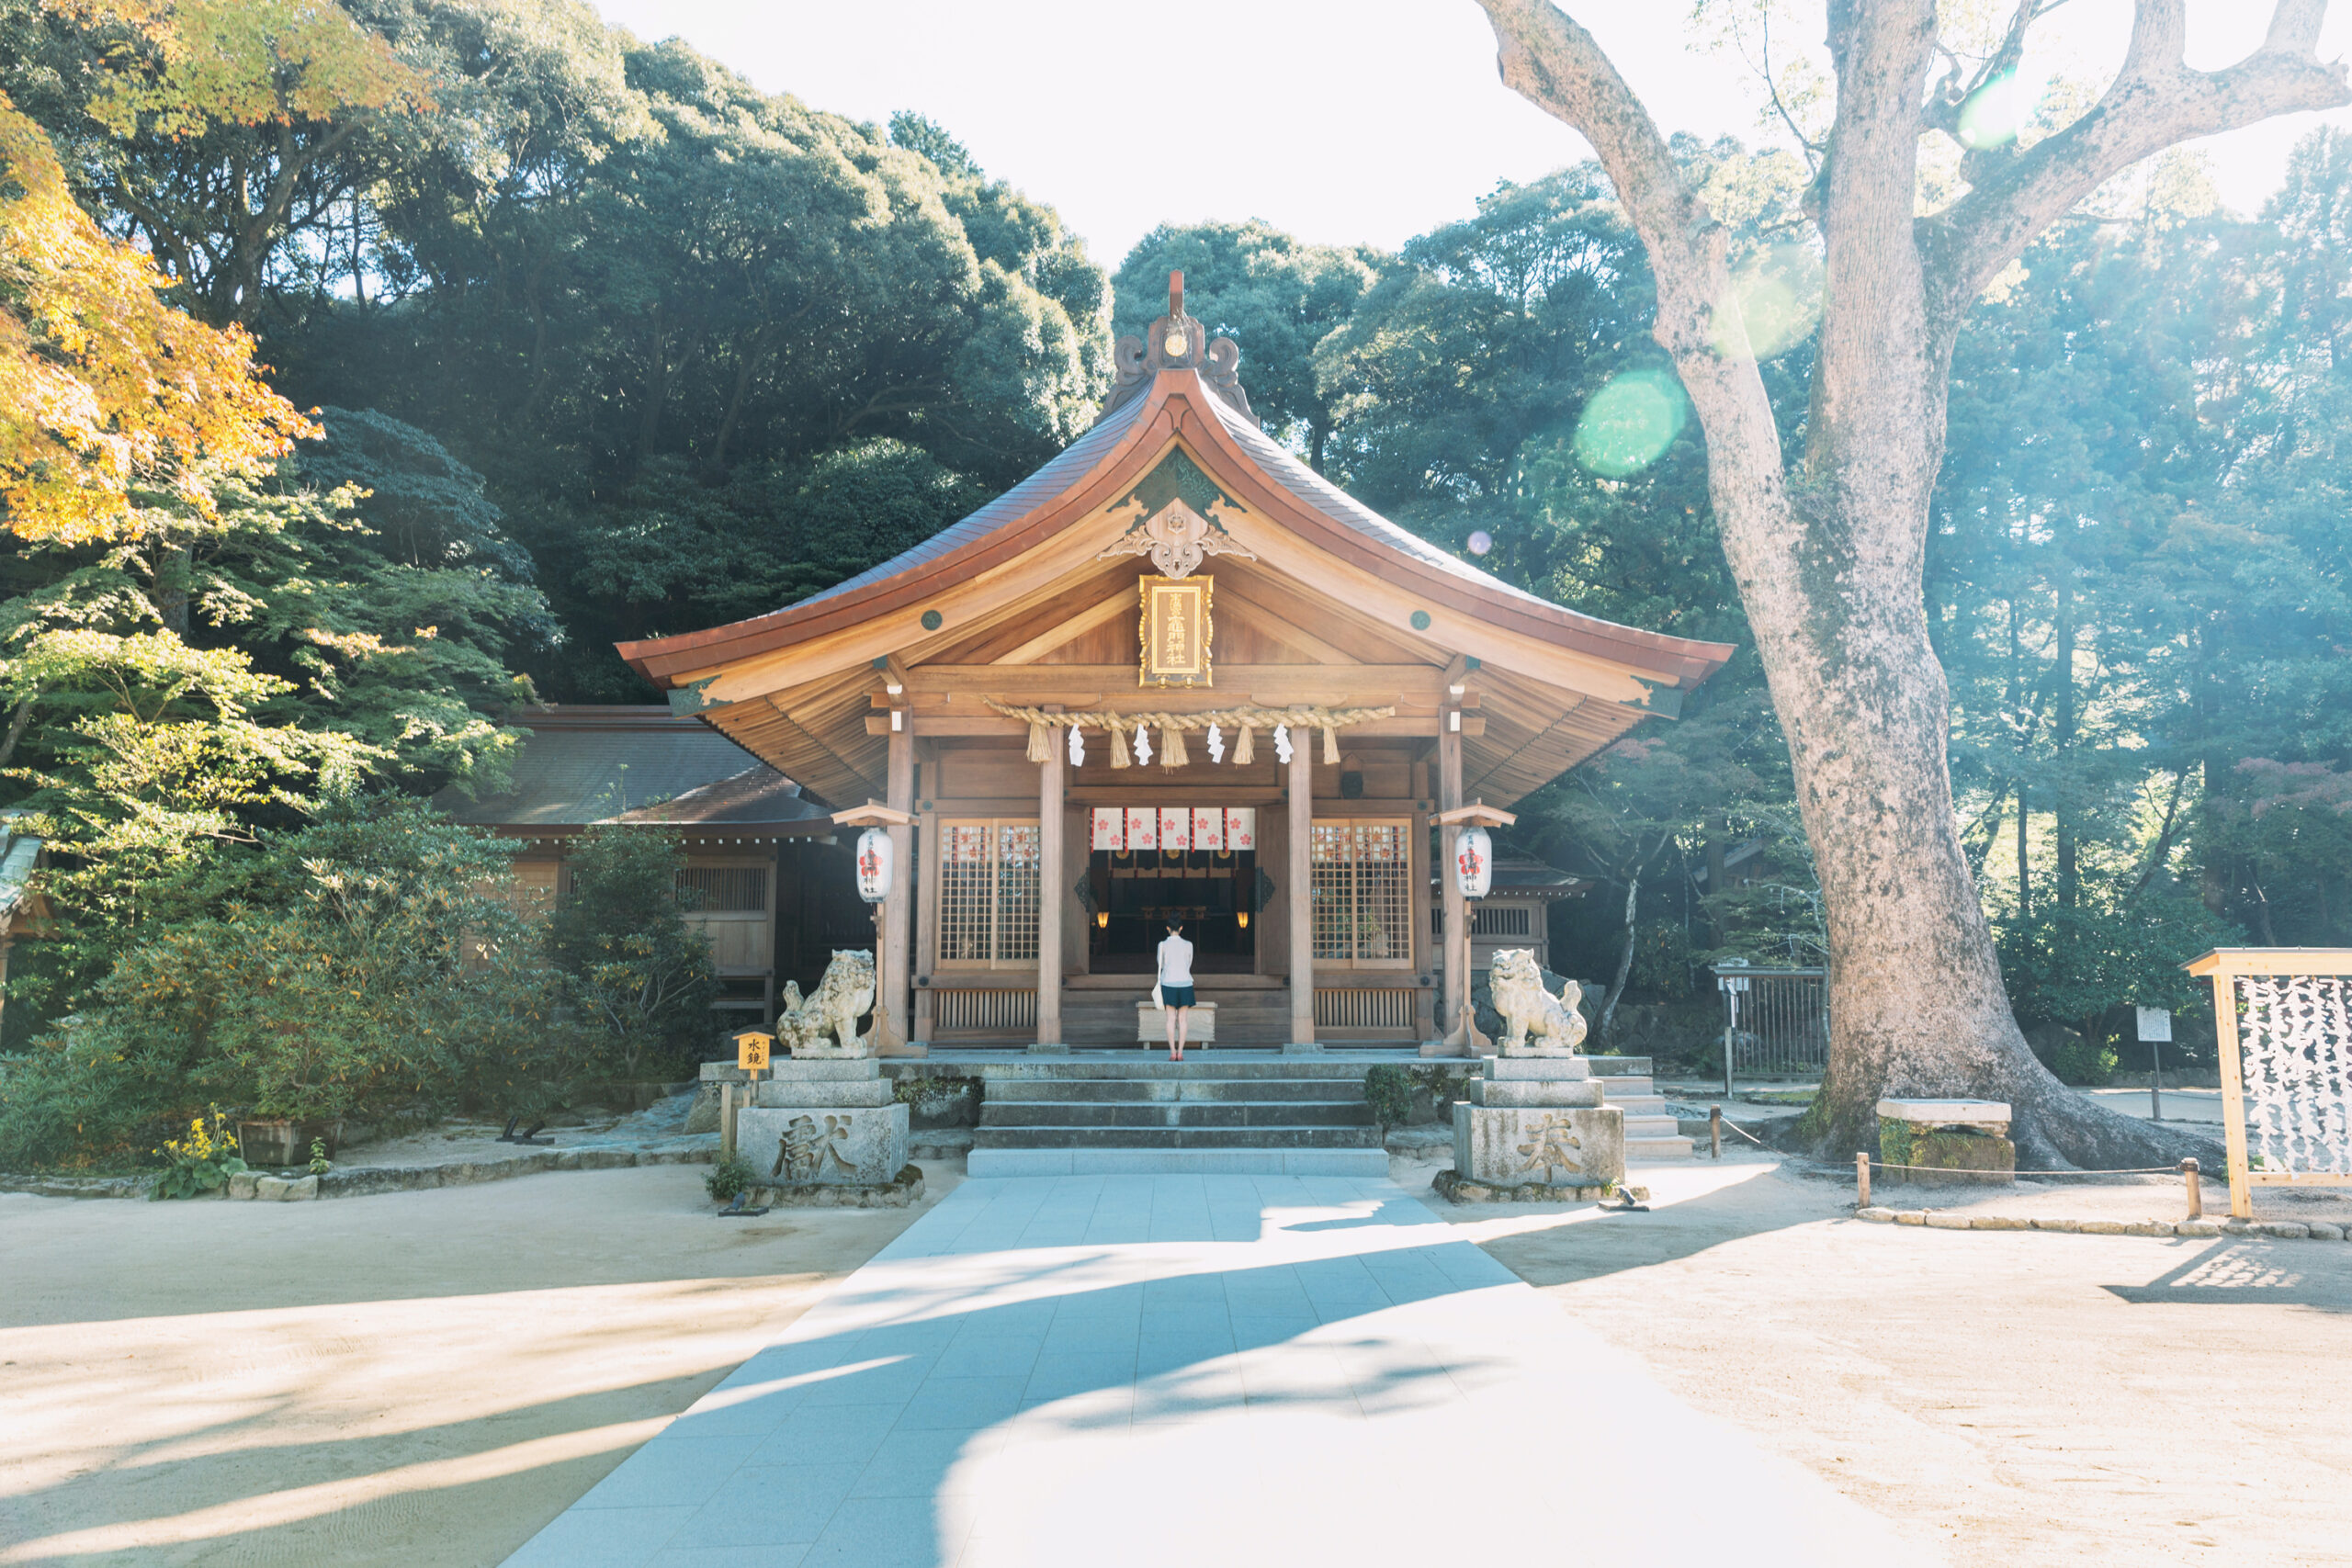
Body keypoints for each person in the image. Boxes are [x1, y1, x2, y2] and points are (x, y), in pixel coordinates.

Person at [1156, 918, 1197, 1062]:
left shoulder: (1162, 945)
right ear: (1181, 928)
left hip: (1169, 982)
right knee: (1183, 1019)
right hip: (1185, 982)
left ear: (1168, 928)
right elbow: (1189, 963)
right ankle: (1180, 1052)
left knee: (1170, 1019)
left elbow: (1160, 964)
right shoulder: (1188, 945)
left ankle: (1172, 1051)